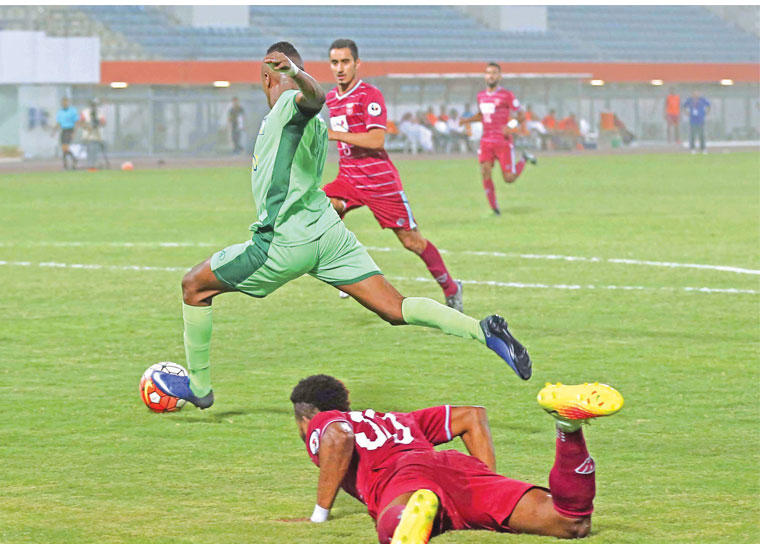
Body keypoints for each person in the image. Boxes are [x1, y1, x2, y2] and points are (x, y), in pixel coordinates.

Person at [151, 42, 532, 411]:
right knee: (395, 308)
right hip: (328, 235)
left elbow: (312, 97)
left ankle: (199, 387)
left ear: (267, 78)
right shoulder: (315, 120)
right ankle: (483, 331)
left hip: (284, 242)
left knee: (194, 287)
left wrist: (296, 74)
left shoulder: (292, 105)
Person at [292, 375, 624, 544]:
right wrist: (485, 482)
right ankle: (568, 426)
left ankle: (410, 519)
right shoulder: (396, 418)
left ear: (306, 418)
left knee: (392, 525)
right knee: (570, 522)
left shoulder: (324, 420)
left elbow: (338, 437)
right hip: (458, 469)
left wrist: (319, 515)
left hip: (401, 475)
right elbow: (471, 416)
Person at [323, 39, 462, 310]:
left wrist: (332, 134)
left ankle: (451, 287)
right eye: (334, 62)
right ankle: (350, 271)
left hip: (380, 182)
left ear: (357, 64)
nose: (340, 68)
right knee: (319, 207)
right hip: (349, 179)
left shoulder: (369, 95)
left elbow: (377, 140)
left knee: (412, 241)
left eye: (345, 62)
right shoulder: (330, 99)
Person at [459, 62, 536, 215]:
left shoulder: (507, 95)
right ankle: (495, 209)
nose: (491, 75)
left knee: (509, 178)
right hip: (486, 140)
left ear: (499, 76)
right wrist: (468, 120)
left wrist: (511, 125)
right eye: (488, 73)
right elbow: (482, 115)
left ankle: (524, 159)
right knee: (485, 171)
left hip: (503, 141)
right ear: (484, 76)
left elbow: (521, 115)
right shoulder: (480, 96)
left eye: (494, 73)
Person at [53, 97, 79, 170]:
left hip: (69, 130)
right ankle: (67, 164)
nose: (64, 103)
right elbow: (59, 123)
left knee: (65, 147)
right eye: (63, 102)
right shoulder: (60, 112)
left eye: (66, 102)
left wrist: (74, 132)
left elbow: (76, 122)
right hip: (63, 130)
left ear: (68, 102)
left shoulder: (72, 111)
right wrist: (54, 131)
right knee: (63, 148)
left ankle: (73, 160)